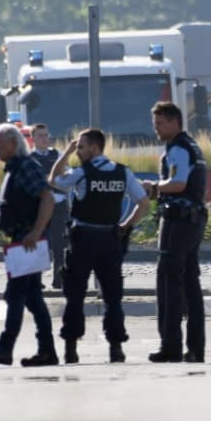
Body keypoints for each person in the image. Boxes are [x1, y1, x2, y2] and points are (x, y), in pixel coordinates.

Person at [50, 128, 151, 364]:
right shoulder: (122, 172)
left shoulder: (82, 173)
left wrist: (65, 153)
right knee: (112, 297)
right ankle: (116, 348)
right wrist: (125, 226)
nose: (78, 152)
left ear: (94, 148)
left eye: (81, 147)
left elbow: (53, 180)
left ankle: (71, 348)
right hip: (110, 239)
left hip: (83, 238)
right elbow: (144, 203)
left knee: (75, 295)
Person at [0, 125, 58, 366]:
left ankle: (5, 348)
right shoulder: (14, 169)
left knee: (17, 294)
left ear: (13, 143)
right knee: (31, 298)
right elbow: (17, 206)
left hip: (28, 241)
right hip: (21, 239)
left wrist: (36, 232)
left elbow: (47, 199)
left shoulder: (27, 166)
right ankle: (46, 351)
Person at [144, 101, 209, 363]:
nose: (156, 129)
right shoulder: (192, 145)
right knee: (191, 285)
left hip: (179, 221)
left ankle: (170, 346)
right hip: (192, 219)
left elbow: (179, 182)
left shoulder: (179, 148)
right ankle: (195, 348)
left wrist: (154, 187)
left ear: (174, 122)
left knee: (169, 283)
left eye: (160, 123)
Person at [30, 123, 69, 289]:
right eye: (40, 135)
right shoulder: (30, 157)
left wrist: (51, 178)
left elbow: (66, 175)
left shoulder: (57, 154)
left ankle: (58, 279)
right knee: (39, 243)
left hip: (59, 204)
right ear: (33, 138)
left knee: (60, 244)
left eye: (46, 135)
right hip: (39, 206)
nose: (44, 139)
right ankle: (36, 280)